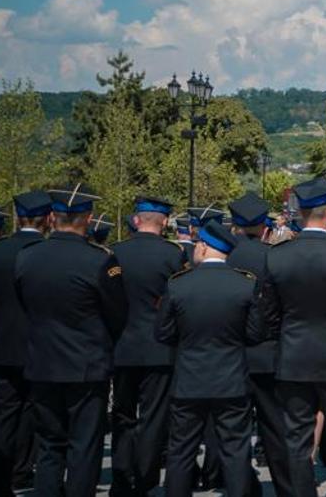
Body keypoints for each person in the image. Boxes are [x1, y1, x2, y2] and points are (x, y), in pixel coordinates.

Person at [257, 177, 326, 497]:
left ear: (300, 212)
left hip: (294, 357)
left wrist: (287, 339)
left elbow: (269, 314)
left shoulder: (277, 256)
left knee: (297, 440)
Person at [16, 183, 125, 497]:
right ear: (88, 218)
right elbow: (117, 315)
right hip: (86, 366)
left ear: (52, 217)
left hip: (42, 364)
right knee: (84, 446)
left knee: (50, 446)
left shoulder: (28, 257)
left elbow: (26, 305)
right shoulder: (100, 260)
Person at [156, 216, 265, 497]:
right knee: (236, 451)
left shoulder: (178, 284)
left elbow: (163, 333)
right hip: (231, 381)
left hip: (189, 380)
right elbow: (255, 335)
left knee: (181, 452)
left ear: (203, 247)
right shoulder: (244, 284)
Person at [109, 195, 189, 497]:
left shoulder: (115, 252)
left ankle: (120, 479)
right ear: (165, 222)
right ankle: (145, 479)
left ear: (136, 220)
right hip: (160, 347)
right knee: (153, 419)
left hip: (124, 346)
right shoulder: (173, 254)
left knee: (122, 415)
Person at [225, 191, 295, 494]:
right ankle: (286, 487)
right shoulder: (274, 256)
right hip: (268, 352)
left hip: (231, 353)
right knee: (275, 428)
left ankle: (241, 488)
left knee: (234, 431)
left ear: (235, 226)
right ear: (264, 227)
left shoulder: (225, 258)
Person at [0, 190, 51, 494]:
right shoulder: (46, 252)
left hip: (4, 346)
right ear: (48, 218)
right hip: (42, 348)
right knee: (38, 416)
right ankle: (23, 472)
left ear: (17, 217)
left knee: (6, 416)